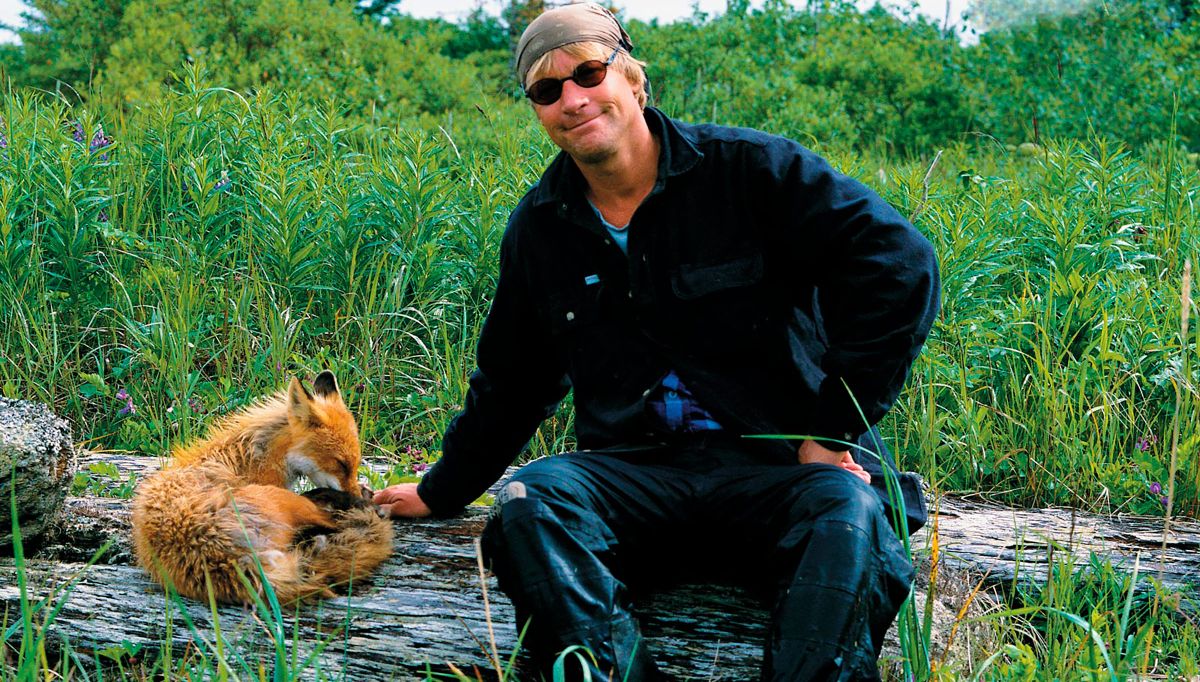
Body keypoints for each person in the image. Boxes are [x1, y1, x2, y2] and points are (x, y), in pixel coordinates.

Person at [374, 3, 940, 680]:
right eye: (547, 90)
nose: (573, 100)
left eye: (589, 73)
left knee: (848, 512)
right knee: (530, 500)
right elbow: (512, 381)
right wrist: (442, 490)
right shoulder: (541, 229)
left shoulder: (751, 172)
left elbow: (900, 263)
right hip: (639, 479)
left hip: (780, 472)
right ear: (537, 111)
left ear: (633, 79)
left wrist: (831, 430)